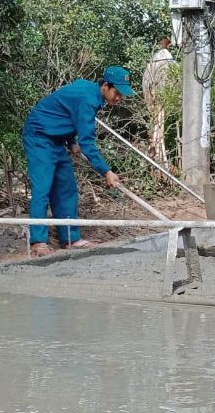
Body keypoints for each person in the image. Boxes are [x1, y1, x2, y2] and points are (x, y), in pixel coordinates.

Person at [22, 66, 134, 256]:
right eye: (117, 93)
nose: (119, 98)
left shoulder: (90, 91)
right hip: (40, 136)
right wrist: (106, 171)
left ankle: (70, 238)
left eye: (122, 95)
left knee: (67, 188)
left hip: (57, 139)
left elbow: (65, 113)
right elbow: (87, 143)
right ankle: (38, 242)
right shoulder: (87, 99)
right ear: (105, 86)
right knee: (42, 189)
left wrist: (71, 142)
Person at [142, 36, 177, 164]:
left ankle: (159, 155)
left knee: (158, 121)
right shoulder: (166, 64)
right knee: (159, 121)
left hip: (156, 93)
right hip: (160, 95)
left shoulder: (153, 63)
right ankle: (159, 156)